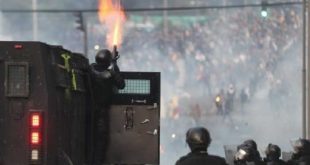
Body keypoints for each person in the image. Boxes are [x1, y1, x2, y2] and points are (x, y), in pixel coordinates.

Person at [90, 49, 125, 164]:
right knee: (101, 143)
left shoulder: (90, 70)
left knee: (92, 141)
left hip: (90, 110)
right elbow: (121, 84)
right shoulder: (109, 75)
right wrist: (114, 64)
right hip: (102, 112)